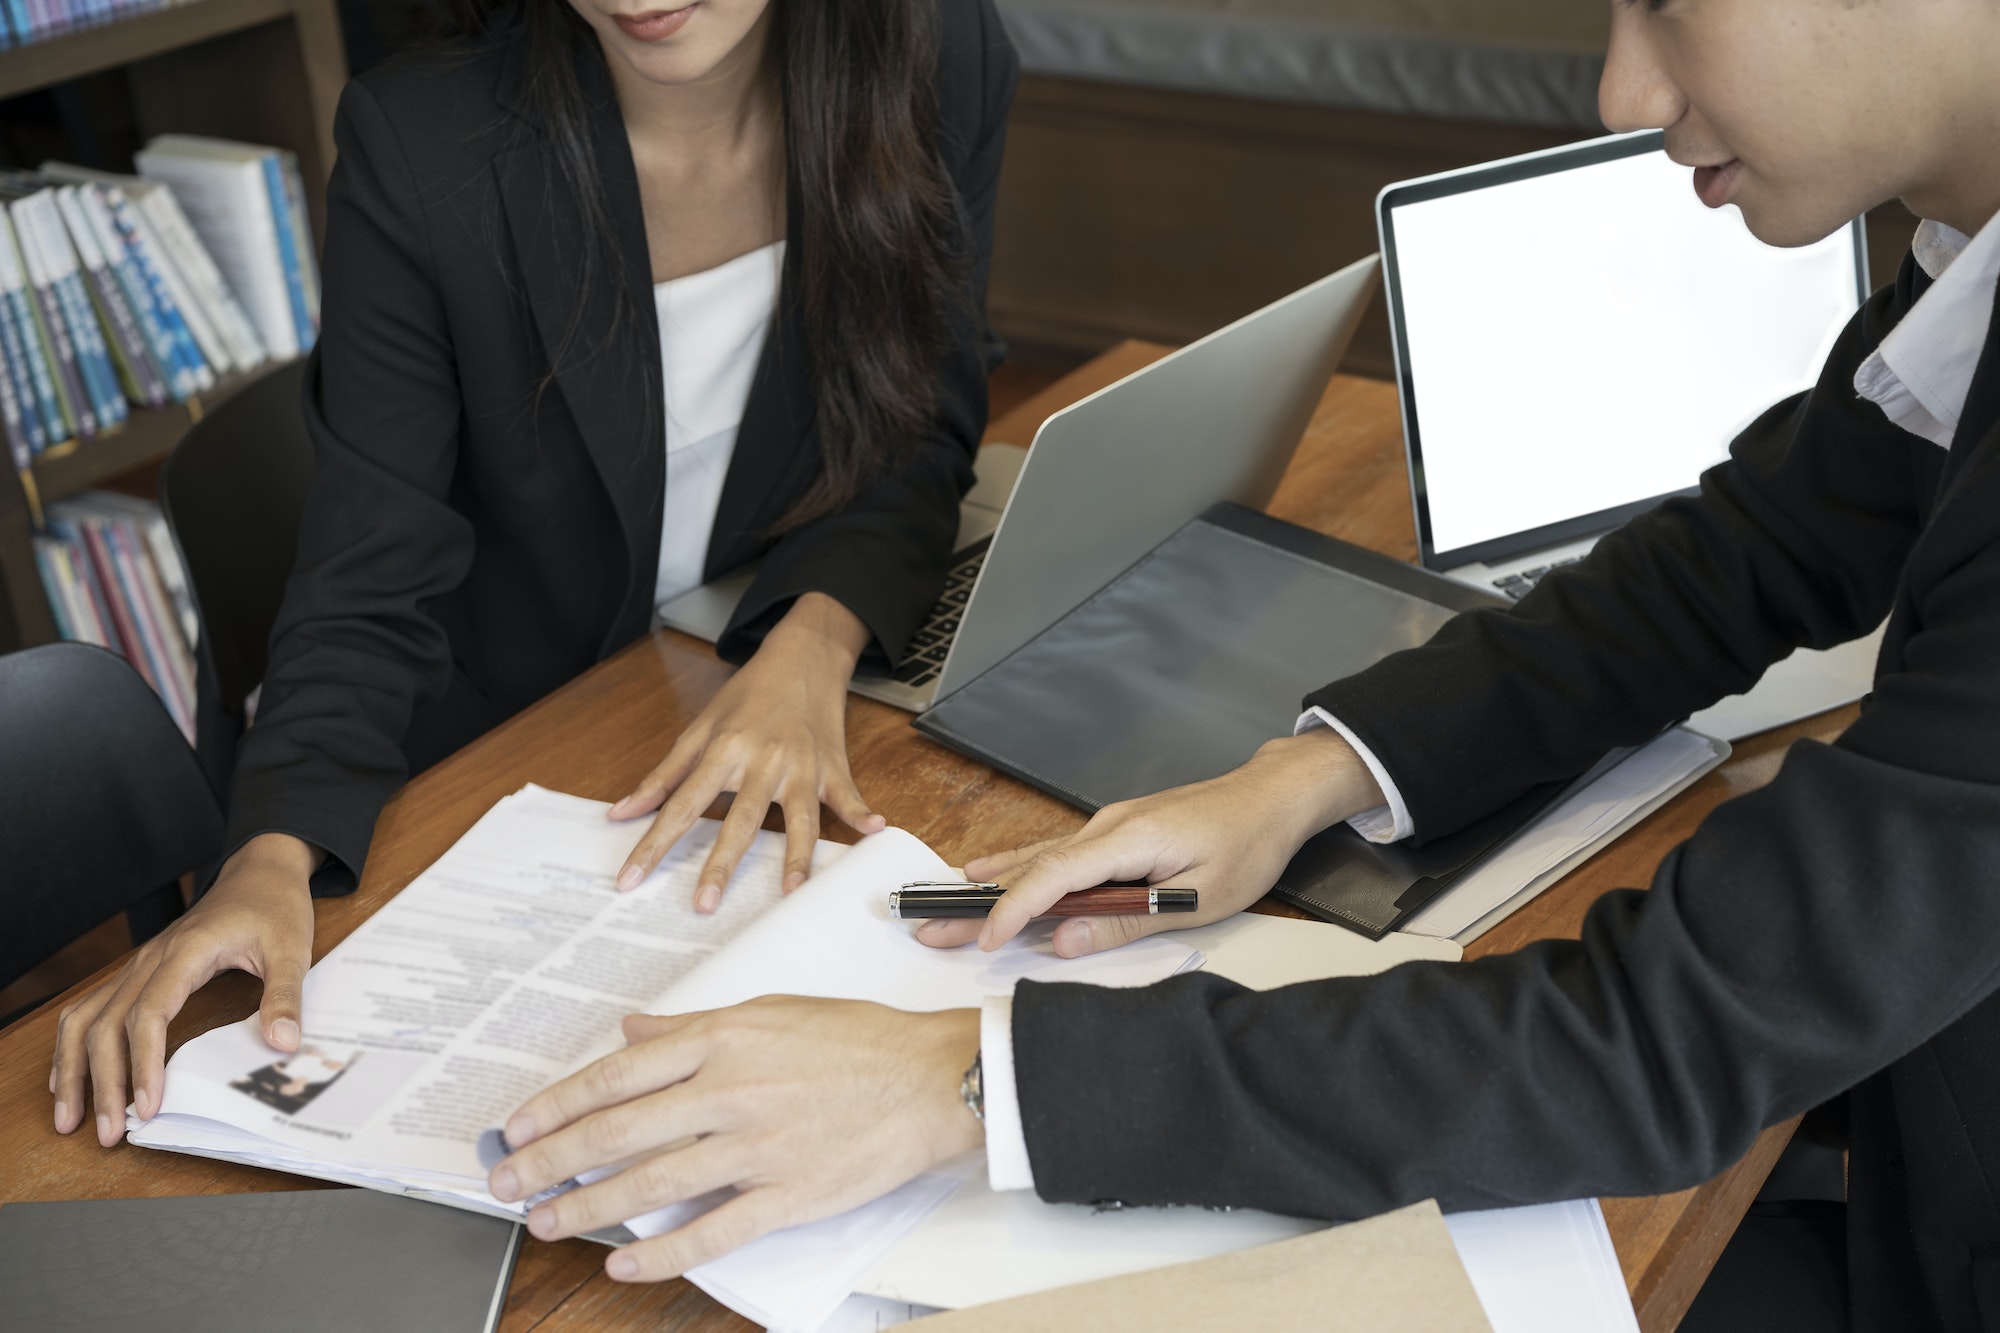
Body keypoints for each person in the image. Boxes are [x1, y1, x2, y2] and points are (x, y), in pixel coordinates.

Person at [466, 2, 2000, 1328]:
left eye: (1667, 3)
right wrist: (1301, 779)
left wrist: (961, 1082)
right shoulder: (1966, 274)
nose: (1622, 92)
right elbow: (1744, 558)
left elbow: (1662, 1039)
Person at [50, 0, 1018, 1148]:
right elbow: (368, 570)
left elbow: (921, 419)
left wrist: (813, 642)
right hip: (522, 757)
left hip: (748, 668)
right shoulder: (424, 142)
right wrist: (266, 854)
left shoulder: (934, 44)